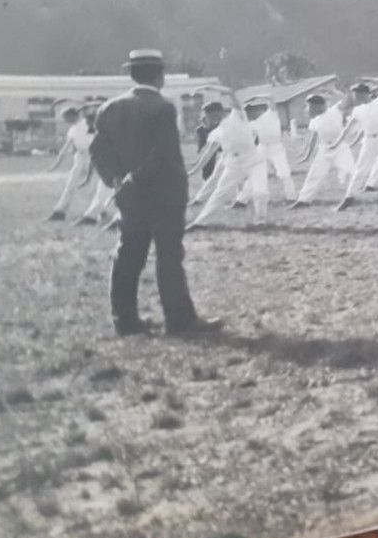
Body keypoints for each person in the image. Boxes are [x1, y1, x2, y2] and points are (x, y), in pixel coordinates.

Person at [89, 49, 214, 337]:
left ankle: (125, 321)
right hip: (165, 195)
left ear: (132, 74)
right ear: (159, 75)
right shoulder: (163, 107)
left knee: (128, 255)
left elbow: (98, 151)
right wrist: (135, 177)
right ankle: (179, 321)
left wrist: (117, 180)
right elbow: (163, 153)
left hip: (130, 197)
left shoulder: (109, 108)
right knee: (169, 257)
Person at [188, 90, 269, 227]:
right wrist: (195, 169)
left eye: (210, 115)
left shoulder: (237, 116)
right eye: (206, 116)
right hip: (234, 164)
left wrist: (210, 87)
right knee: (219, 194)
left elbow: (231, 93)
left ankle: (260, 221)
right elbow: (208, 152)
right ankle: (199, 222)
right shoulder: (215, 132)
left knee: (260, 192)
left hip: (254, 160)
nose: (208, 118)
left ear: (219, 112)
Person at [291, 93, 354, 205]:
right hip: (324, 150)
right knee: (314, 175)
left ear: (319, 106)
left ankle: (350, 197)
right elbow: (313, 139)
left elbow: (347, 99)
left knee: (348, 171)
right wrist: (307, 155)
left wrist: (334, 91)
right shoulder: (314, 121)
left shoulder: (335, 110)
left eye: (311, 106)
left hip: (340, 148)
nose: (309, 109)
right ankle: (303, 201)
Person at [45, 105, 95, 221]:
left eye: (66, 118)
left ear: (73, 115)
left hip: (94, 157)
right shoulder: (72, 130)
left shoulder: (87, 123)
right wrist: (55, 165)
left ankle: (100, 212)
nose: (65, 121)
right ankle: (60, 211)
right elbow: (65, 149)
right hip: (80, 158)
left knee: (98, 186)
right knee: (71, 184)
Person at [248, 96, 297, 202]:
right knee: (257, 173)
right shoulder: (251, 123)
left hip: (276, 148)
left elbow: (271, 98)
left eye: (252, 110)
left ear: (258, 110)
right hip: (262, 148)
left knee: (284, 173)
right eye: (248, 111)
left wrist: (256, 97)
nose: (250, 113)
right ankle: (246, 199)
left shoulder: (270, 114)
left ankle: (291, 196)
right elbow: (251, 140)